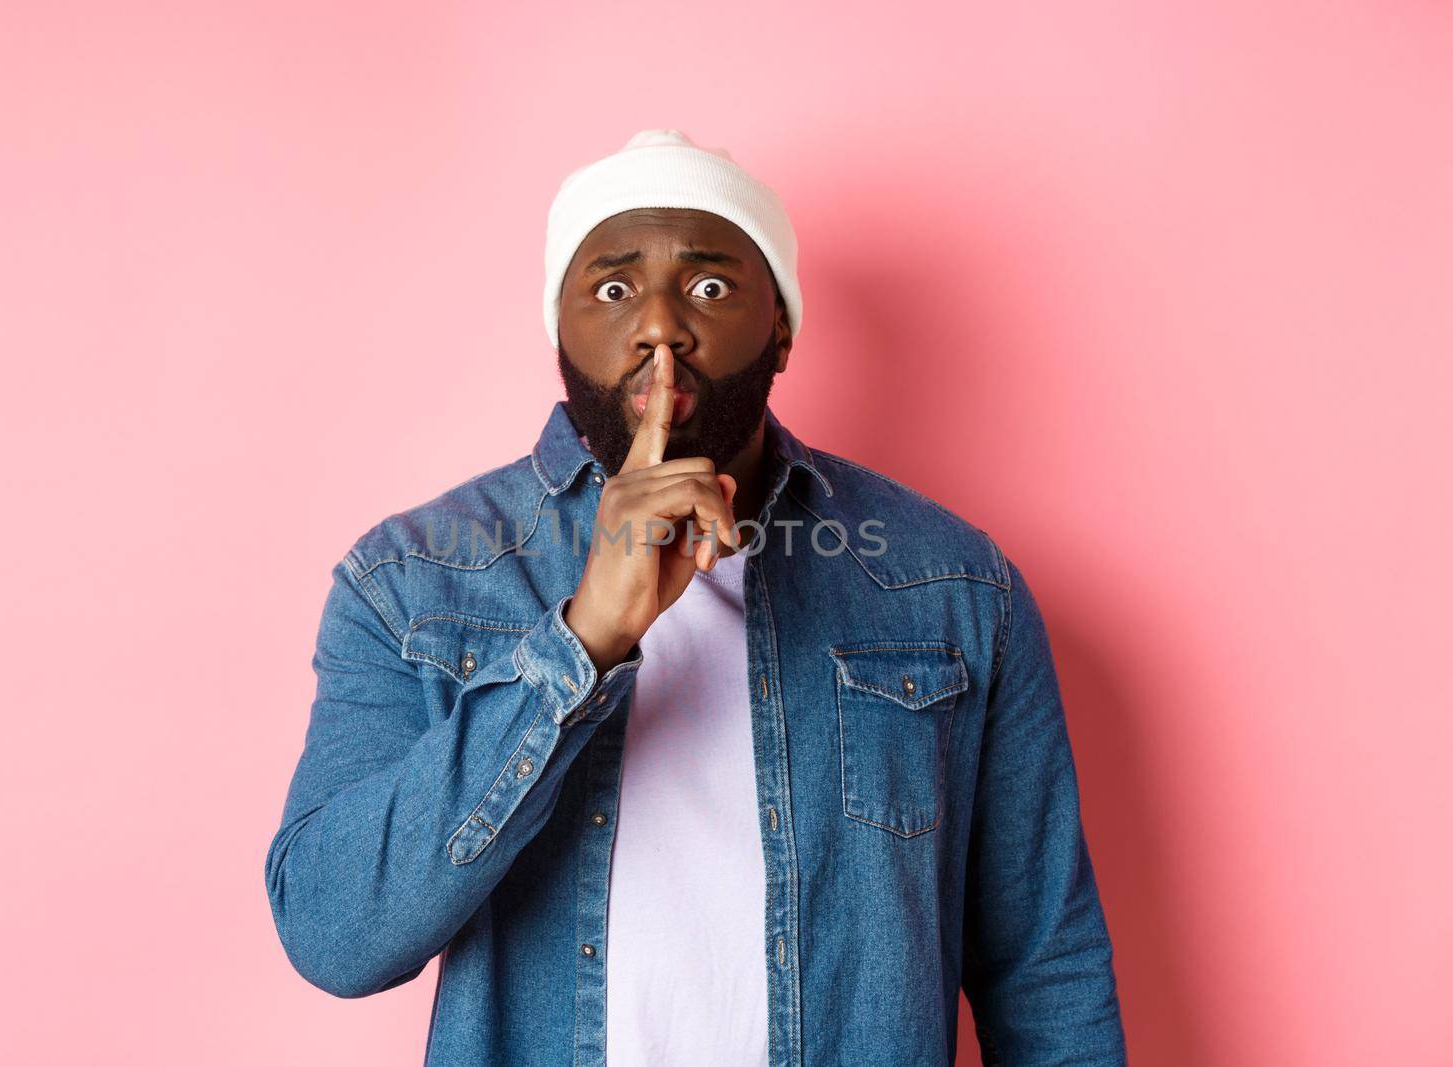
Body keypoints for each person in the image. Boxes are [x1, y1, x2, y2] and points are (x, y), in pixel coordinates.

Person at [264, 128, 1127, 1066]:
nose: (661, 325)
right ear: (559, 328)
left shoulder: (951, 585)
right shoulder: (414, 577)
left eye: (711, 287)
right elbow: (333, 934)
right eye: (613, 288)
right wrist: (586, 637)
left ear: (784, 328)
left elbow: (1044, 968)